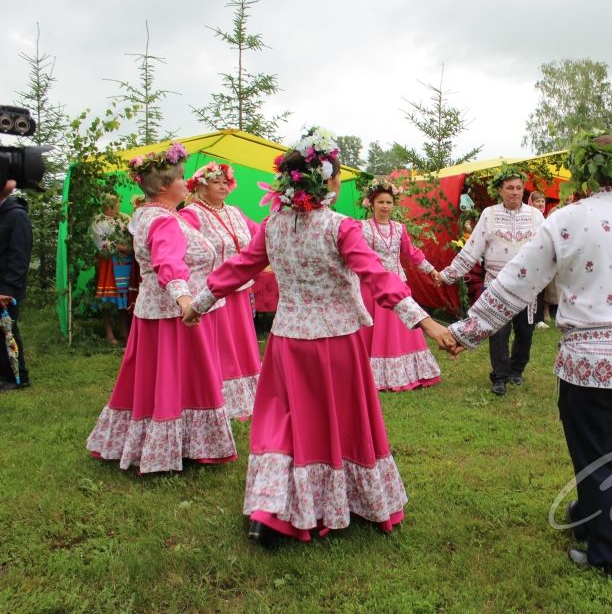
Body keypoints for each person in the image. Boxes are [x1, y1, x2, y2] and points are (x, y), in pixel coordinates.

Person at [448, 130, 612, 577]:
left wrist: (468, 331)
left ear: (587, 171)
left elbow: (517, 281)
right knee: (609, 451)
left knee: (596, 458)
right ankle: (586, 514)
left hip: (591, 362)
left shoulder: (566, 220)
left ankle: (607, 556)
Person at [185, 129, 453, 544]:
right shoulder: (341, 227)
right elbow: (378, 278)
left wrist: (197, 304)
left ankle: (269, 512)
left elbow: (239, 268)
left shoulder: (272, 225)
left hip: (288, 341)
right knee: (341, 423)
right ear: (327, 180)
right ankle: (345, 501)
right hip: (337, 342)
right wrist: (427, 322)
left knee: (284, 424)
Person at [86, 143, 237, 472]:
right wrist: (185, 300)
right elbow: (167, 262)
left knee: (166, 380)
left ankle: (170, 441)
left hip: (160, 311)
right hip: (176, 316)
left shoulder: (153, 215)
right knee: (179, 380)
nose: (187, 184)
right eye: (182, 178)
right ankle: (171, 447)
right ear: (165, 186)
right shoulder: (163, 221)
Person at [437, 169, 545, 395]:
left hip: (527, 286)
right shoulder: (489, 214)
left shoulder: (536, 216)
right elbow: (472, 249)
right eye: (509, 188)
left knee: (525, 332)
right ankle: (500, 376)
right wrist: (448, 274)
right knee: (497, 332)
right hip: (496, 284)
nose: (515, 193)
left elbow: (546, 249)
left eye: (518, 188)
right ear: (499, 190)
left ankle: (517, 370)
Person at [181, 162, 262, 419]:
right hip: (212, 292)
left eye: (226, 182)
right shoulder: (191, 214)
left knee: (241, 342)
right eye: (217, 182)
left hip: (238, 289)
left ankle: (247, 396)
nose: (223, 186)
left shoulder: (235, 212)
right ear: (201, 186)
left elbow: (259, 234)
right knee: (223, 345)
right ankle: (220, 398)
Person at [358, 178, 443, 392]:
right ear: (371, 204)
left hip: (397, 285)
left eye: (388, 202)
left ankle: (409, 373)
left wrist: (431, 270)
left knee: (402, 330)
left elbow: (412, 253)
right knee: (373, 332)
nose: (385, 206)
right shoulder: (362, 228)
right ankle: (372, 374)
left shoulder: (399, 229)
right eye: (381, 202)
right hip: (372, 288)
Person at [0, 178, 32, 390]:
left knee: (7, 330)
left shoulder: (17, 216)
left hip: (6, 287)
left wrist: (8, 289)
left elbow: (20, 256)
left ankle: (18, 377)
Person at [90, 193, 133, 346]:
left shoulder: (125, 218)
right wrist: (122, 247)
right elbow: (101, 242)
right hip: (108, 261)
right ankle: (109, 334)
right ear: (104, 204)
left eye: (116, 204)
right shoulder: (97, 220)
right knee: (107, 299)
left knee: (124, 296)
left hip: (125, 262)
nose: (114, 207)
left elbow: (133, 234)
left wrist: (131, 247)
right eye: (111, 204)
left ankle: (124, 332)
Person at [528, 189, 552, 330]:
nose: (540, 203)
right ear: (532, 202)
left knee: (541, 287)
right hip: (532, 255)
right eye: (537, 201)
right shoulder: (528, 216)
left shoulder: (543, 217)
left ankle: (538, 319)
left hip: (543, 255)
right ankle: (533, 318)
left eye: (542, 201)